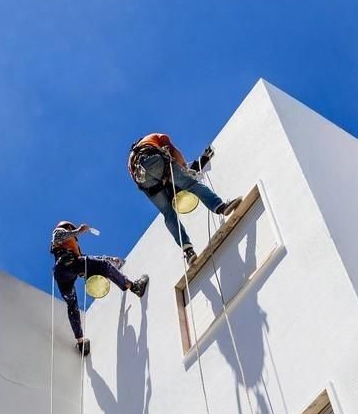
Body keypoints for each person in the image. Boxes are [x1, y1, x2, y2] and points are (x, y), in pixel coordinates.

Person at [128, 133, 243, 264]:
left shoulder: (131, 160)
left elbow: (140, 183)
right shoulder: (154, 137)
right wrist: (184, 170)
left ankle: (188, 250)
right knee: (191, 185)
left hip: (144, 180)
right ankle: (220, 206)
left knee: (168, 213)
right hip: (155, 161)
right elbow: (175, 153)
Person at [50, 221, 149, 355]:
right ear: (68, 227)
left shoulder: (72, 249)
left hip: (63, 274)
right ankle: (133, 286)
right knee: (103, 266)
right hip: (68, 264)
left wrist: (112, 260)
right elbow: (59, 237)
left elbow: (88, 259)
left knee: (72, 305)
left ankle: (80, 342)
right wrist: (79, 230)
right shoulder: (59, 233)